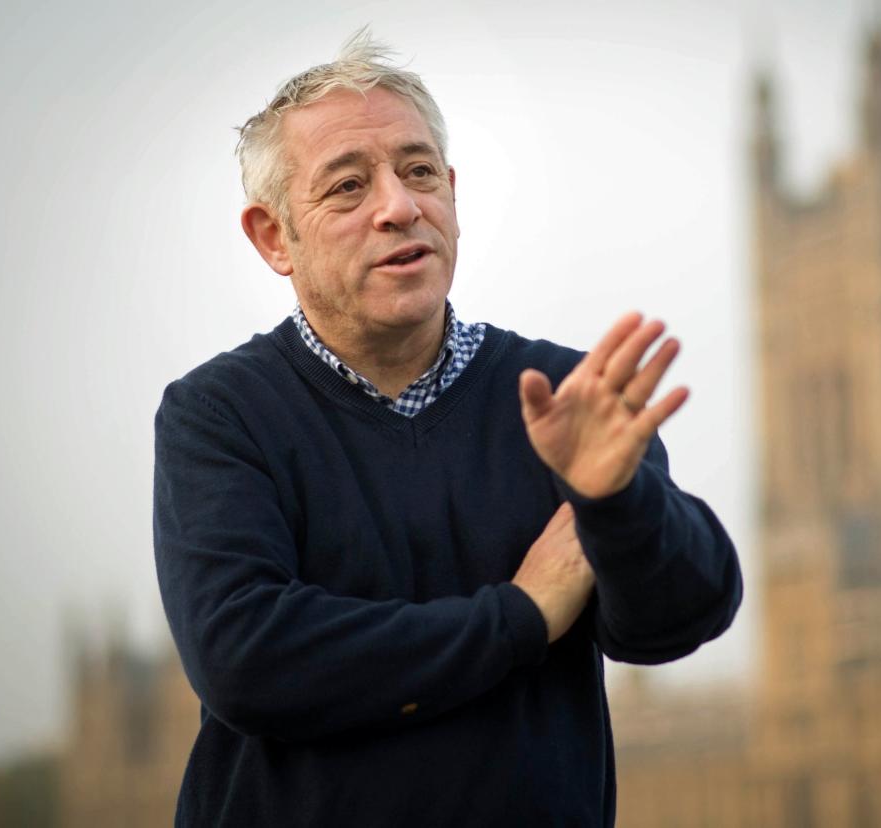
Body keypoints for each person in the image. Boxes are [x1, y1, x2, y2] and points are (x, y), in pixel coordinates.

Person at [153, 29, 741, 827]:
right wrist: (522, 615)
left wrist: (617, 504)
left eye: (420, 172)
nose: (400, 207)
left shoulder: (561, 400)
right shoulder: (220, 415)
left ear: (453, 197)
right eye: (348, 187)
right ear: (273, 237)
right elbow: (248, 658)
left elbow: (678, 621)